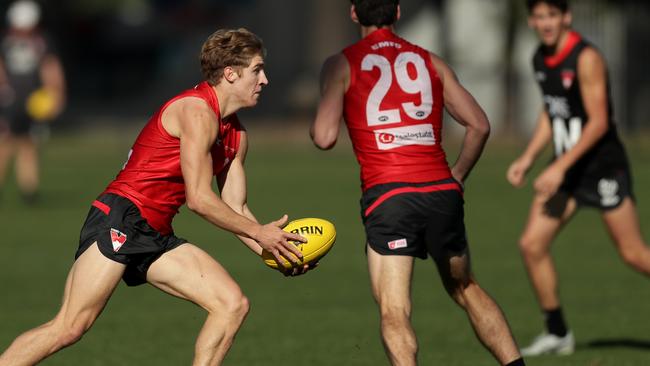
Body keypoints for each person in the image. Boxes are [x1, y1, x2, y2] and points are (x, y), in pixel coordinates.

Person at [0, 28, 312, 366]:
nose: (265, 79)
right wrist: (261, 234)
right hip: (120, 218)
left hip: (154, 231)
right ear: (231, 73)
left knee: (231, 304)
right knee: (70, 327)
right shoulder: (196, 112)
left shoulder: (237, 134)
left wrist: (279, 251)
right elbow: (199, 199)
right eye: (257, 69)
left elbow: (235, 207)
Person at [310, 1, 524, 365]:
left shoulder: (342, 63)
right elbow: (480, 125)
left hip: (390, 196)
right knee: (466, 286)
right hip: (441, 191)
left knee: (395, 310)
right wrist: (456, 175)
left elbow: (325, 136)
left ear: (352, 13)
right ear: (396, 12)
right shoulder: (430, 60)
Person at [507, 0, 650, 356]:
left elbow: (599, 122)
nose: (546, 23)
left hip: (602, 169)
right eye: (539, 16)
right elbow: (552, 111)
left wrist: (557, 167)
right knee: (532, 245)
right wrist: (528, 158)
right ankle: (558, 333)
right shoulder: (539, 58)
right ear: (531, 20)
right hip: (568, 172)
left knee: (634, 255)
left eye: (552, 15)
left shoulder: (586, 58)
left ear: (566, 17)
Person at [0, 0, 66, 204]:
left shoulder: (42, 41)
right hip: (8, 100)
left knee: (28, 144)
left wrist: (56, 95)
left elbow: (51, 68)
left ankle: (29, 191)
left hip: (33, 102)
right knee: (4, 143)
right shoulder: (5, 41)